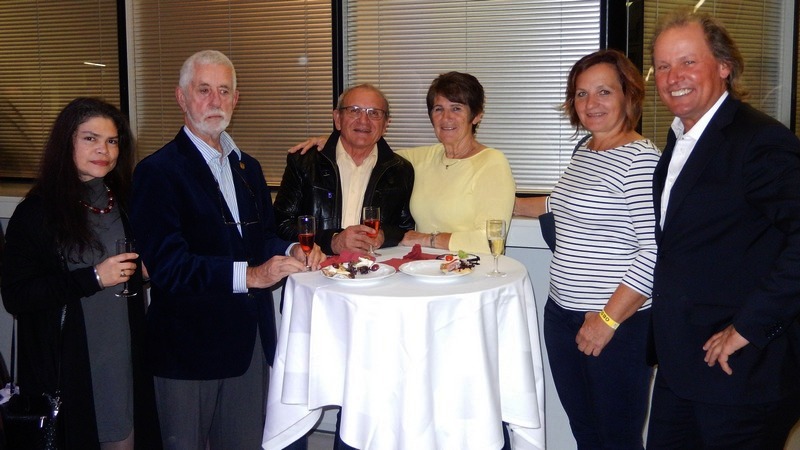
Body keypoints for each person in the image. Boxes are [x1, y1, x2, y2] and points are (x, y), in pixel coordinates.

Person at [129, 50, 324, 450]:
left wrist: (292, 249)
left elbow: (262, 239)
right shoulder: (157, 172)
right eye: (204, 90)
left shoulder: (247, 167)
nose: (215, 101)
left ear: (237, 99)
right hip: (187, 348)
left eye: (224, 91)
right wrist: (251, 275)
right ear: (181, 98)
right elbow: (169, 268)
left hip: (249, 343)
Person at [646, 10, 800, 449]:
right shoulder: (679, 140)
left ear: (724, 67)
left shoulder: (759, 140)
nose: (674, 76)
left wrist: (748, 327)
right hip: (683, 368)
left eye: (688, 61)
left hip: (742, 372)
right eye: (663, 65)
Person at [514, 49, 658, 449]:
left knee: (617, 438)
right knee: (586, 431)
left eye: (603, 92)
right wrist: (490, 197)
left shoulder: (640, 161)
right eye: (581, 94)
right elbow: (554, 204)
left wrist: (607, 321)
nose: (590, 104)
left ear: (628, 96)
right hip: (561, 316)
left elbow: (654, 251)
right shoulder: (586, 151)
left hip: (617, 326)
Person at [1, 97, 162, 449]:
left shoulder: (122, 199)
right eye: (90, 138)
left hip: (123, 355)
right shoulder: (36, 212)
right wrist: (93, 278)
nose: (103, 149)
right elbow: (16, 295)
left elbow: (132, 266)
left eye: (112, 140)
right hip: (71, 368)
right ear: (66, 142)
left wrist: (144, 272)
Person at [294, 72, 515, 254]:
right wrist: (333, 141)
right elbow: (367, 148)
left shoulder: (492, 163)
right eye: (438, 109)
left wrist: (424, 239)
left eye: (456, 108)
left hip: (472, 272)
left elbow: (489, 242)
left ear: (476, 115)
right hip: (426, 271)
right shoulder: (421, 158)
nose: (446, 118)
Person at [273, 83, 414, 255]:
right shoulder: (304, 162)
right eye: (354, 110)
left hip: (375, 269)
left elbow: (405, 229)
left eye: (374, 113)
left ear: (386, 125)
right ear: (338, 118)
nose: (363, 120)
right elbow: (280, 225)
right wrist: (331, 241)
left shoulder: (401, 170)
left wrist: (384, 235)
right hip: (316, 267)